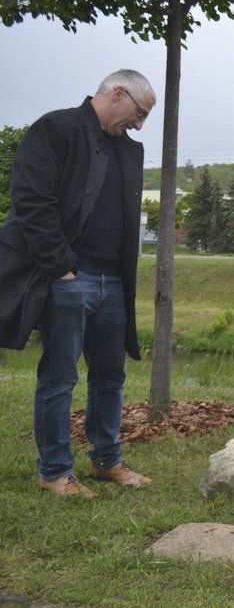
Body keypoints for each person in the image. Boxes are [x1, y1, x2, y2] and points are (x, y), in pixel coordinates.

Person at [0, 69, 156, 497]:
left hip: (113, 281)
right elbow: (32, 202)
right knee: (60, 378)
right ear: (117, 93)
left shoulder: (127, 150)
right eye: (140, 113)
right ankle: (54, 472)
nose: (140, 125)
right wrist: (62, 269)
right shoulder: (56, 128)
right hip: (68, 278)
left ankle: (107, 460)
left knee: (110, 376)